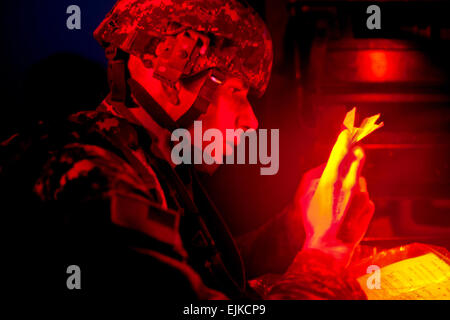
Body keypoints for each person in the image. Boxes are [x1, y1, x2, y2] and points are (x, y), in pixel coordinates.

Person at [1, 0, 374, 299]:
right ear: (168, 64)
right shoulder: (90, 176)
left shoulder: (150, 160)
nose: (252, 123)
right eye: (237, 92)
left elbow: (204, 273)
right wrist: (325, 255)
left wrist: (297, 225)